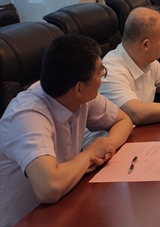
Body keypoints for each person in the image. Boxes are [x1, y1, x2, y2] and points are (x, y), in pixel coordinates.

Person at [0, 35, 133, 226]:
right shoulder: (26, 116)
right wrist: (90, 154)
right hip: (25, 219)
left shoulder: (79, 95)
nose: (102, 77)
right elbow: (49, 188)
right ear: (79, 87)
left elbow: (123, 121)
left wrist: (107, 146)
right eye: (100, 72)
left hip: (65, 205)